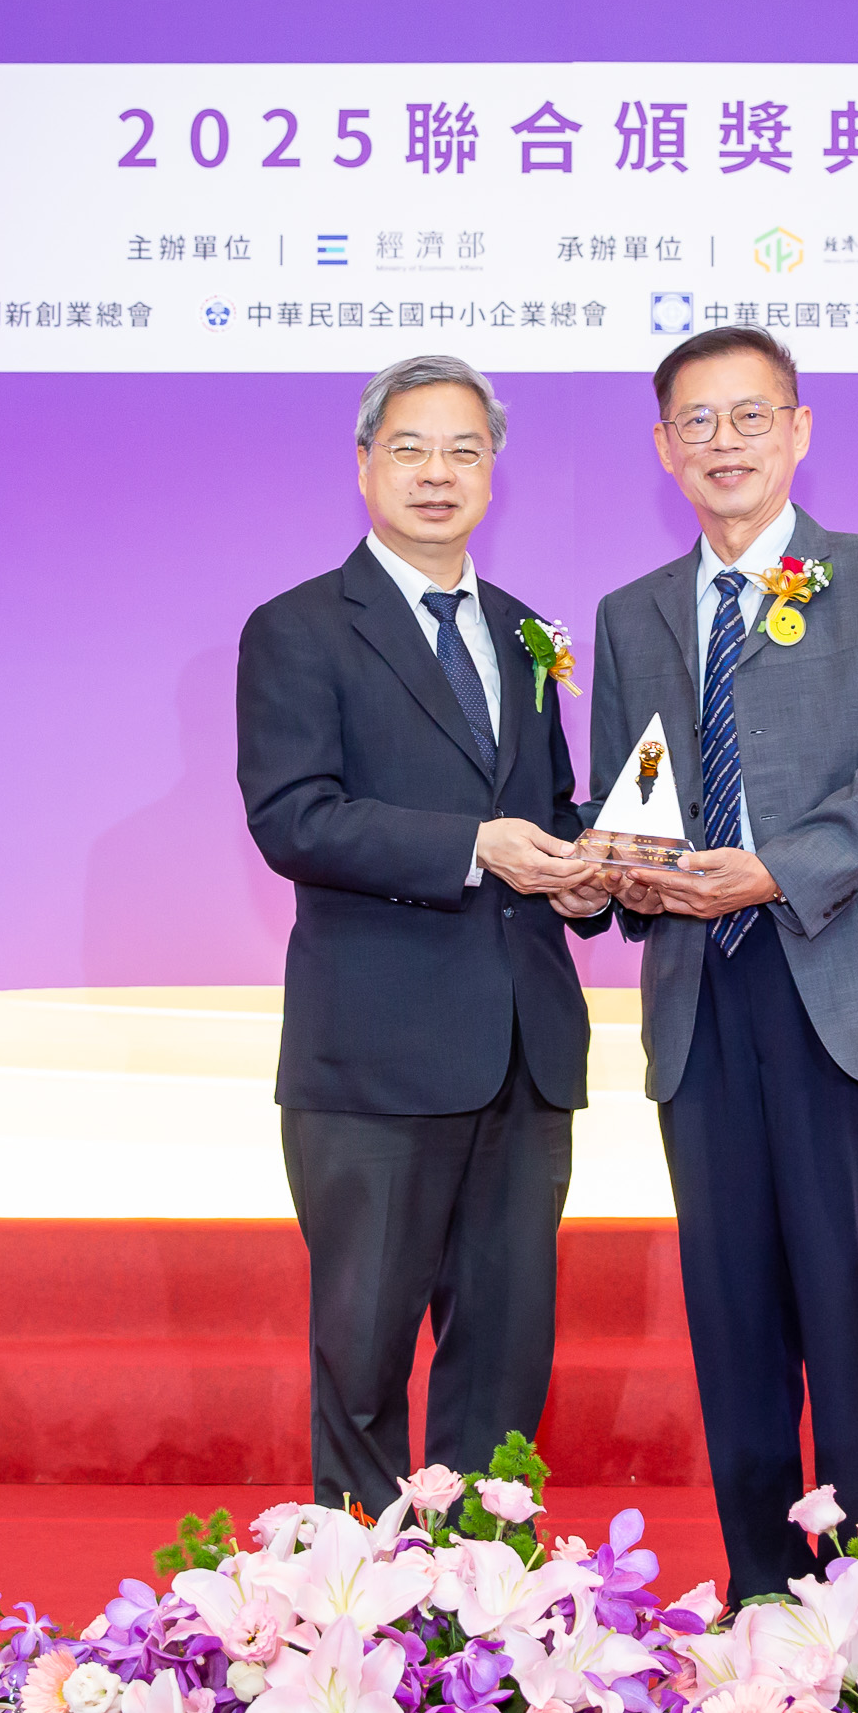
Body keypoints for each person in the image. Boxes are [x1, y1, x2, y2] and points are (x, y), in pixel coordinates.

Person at [581, 325, 858, 1601]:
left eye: (750, 417)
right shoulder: (634, 613)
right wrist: (617, 866)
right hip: (703, 991)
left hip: (847, 981)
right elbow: (636, 786)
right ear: (663, 448)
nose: (725, 444)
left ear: (799, 429)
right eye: (696, 423)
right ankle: (763, 1595)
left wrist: (774, 868)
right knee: (734, 1311)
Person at [237, 353, 615, 1515]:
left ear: (494, 472)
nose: (437, 473)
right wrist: (475, 847)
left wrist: (592, 872)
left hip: (525, 1049)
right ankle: (355, 1586)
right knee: (363, 1355)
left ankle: (485, 1589)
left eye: (464, 450)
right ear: (365, 466)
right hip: (376, 1054)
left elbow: (547, 806)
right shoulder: (299, 628)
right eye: (410, 449)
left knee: (505, 1353)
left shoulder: (526, 633)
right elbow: (295, 818)